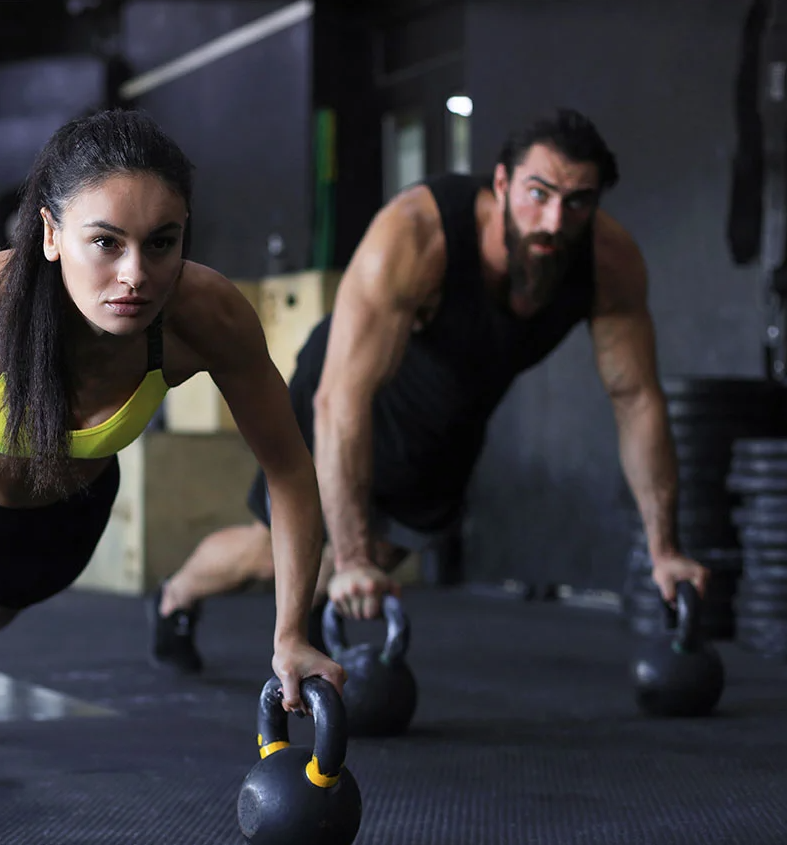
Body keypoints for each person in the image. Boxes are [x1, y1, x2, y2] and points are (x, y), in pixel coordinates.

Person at [0, 107, 343, 752]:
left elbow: (290, 469)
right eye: (105, 242)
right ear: (50, 233)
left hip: (64, 504)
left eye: (161, 243)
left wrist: (293, 632)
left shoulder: (206, 317)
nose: (136, 274)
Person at [148, 107, 709, 671]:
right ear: (502, 183)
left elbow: (636, 399)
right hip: (350, 388)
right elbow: (341, 399)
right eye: (538, 193)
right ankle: (176, 595)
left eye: (578, 202)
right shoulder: (418, 233)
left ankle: (321, 604)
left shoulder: (609, 264)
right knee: (282, 554)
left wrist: (665, 549)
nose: (555, 220)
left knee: (373, 560)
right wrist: (351, 555)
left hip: (448, 416)